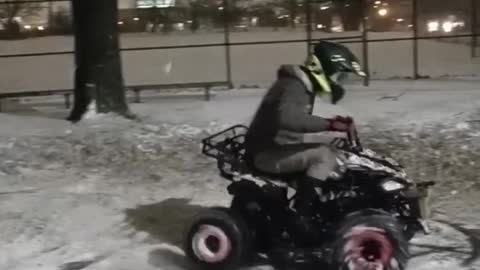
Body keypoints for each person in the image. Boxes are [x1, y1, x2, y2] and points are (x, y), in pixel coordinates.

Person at [244, 41, 367, 239]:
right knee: (324, 156)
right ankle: (300, 216)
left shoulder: (298, 84)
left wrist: (333, 124)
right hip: (266, 153)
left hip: (274, 148)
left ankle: (319, 208)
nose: (339, 82)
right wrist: (330, 125)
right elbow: (287, 119)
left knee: (332, 153)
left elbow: (295, 123)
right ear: (325, 70)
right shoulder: (294, 86)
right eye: (339, 76)